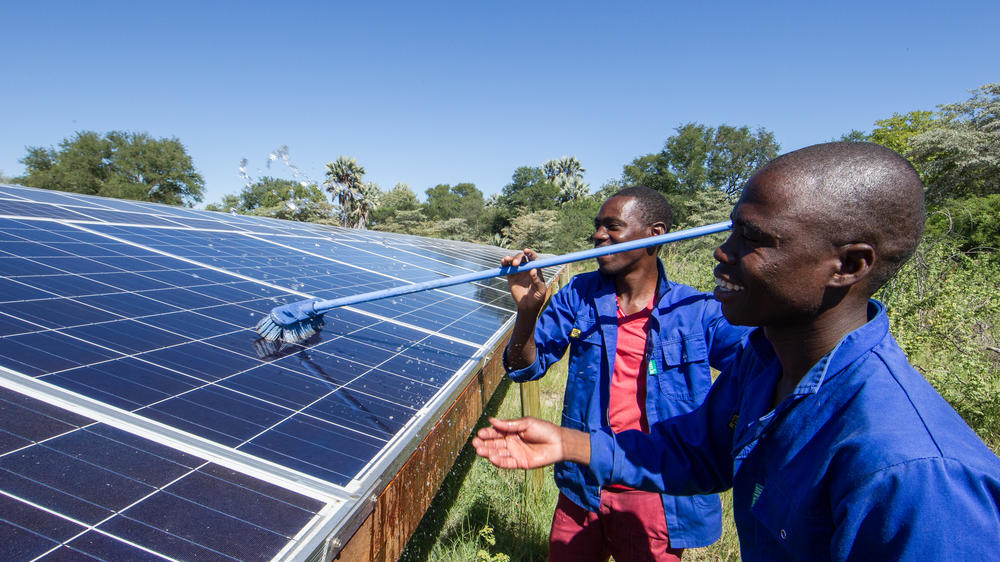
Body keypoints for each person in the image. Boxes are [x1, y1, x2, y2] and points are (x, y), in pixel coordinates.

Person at [476, 142, 1000, 561]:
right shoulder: (764, 366)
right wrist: (570, 442)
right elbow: (701, 451)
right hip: (586, 489)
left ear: (849, 265)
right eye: (731, 231)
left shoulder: (918, 474)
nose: (722, 253)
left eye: (753, 238)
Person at [501, 186, 749, 561]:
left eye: (612, 227)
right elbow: (525, 369)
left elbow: (763, 366)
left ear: (656, 233)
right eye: (598, 227)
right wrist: (527, 312)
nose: (599, 236)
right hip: (583, 483)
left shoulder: (698, 310)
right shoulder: (578, 295)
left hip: (655, 489)